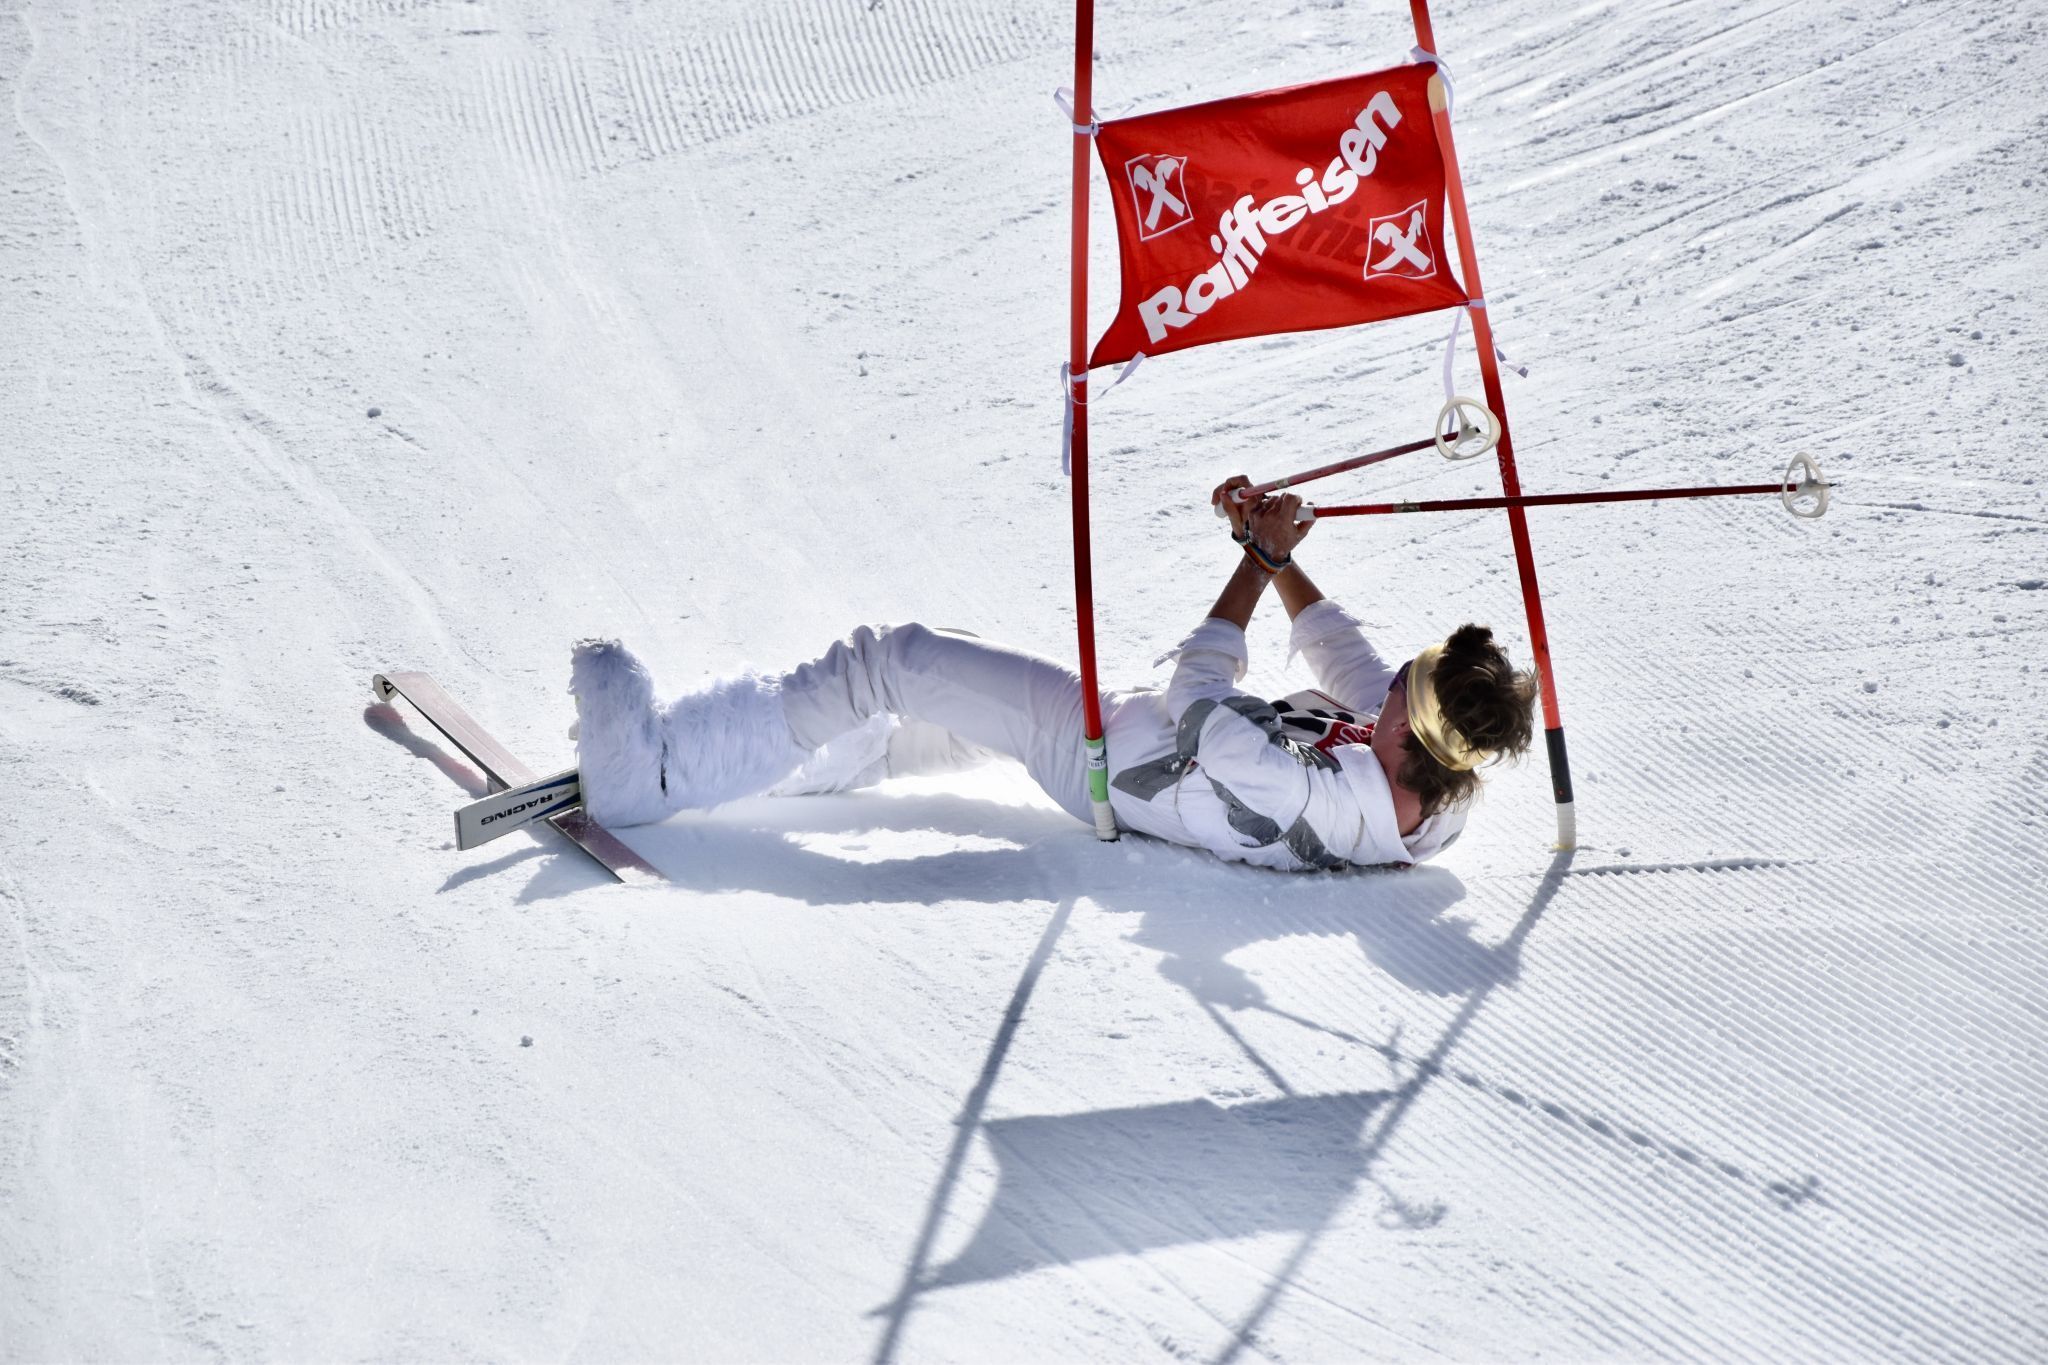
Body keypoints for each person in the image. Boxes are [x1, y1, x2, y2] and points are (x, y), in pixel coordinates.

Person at [569, 477, 1537, 871]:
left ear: (1412, 737)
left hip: (1102, 763)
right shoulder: (1429, 788)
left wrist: (1254, 568)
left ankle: (652, 779)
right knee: (924, 704)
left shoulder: (1322, 802)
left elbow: (1199, 701)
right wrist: (1270, 547)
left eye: (1398, 699)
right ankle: (787, 758)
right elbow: (1338, 652)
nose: (1379, 695)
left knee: (892, 660)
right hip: (1126, 741)